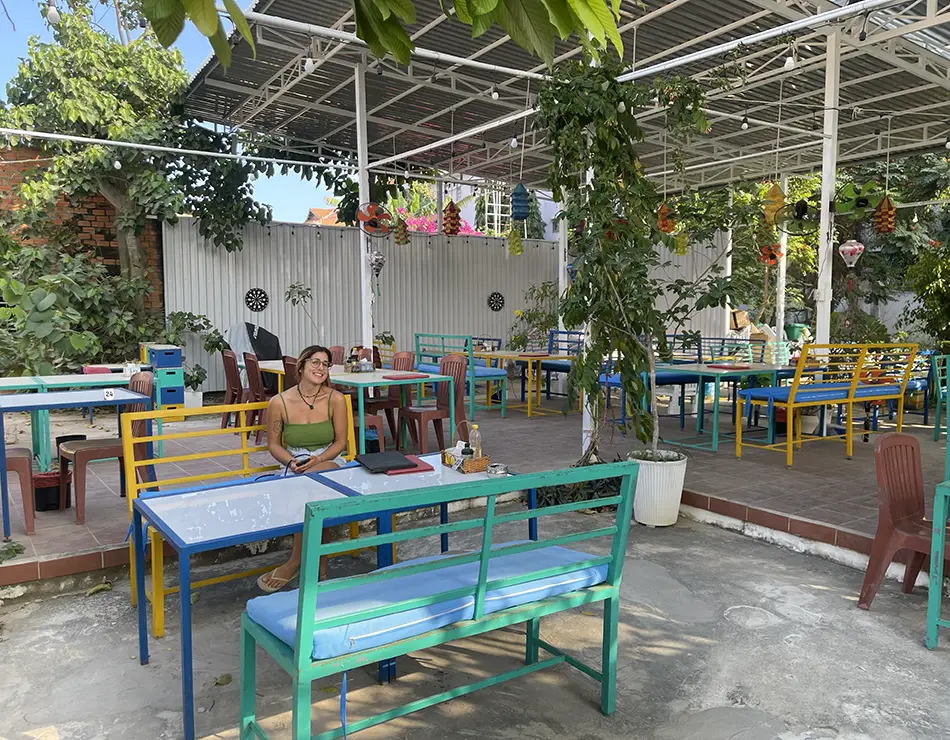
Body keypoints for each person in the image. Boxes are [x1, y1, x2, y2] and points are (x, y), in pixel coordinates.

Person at [257, 344, 348, 593]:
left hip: (328, 459)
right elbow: (274, 445)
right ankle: (320, 567)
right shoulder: (279, 402)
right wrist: (290, 461)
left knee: (315, 481)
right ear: (302, 365)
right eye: (315, 362)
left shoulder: (335, 399)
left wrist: (318, 460)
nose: (321, 368)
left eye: (326, 364)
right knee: (311, 490)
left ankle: (295, 561)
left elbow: (341, 442)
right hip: (294, 461)